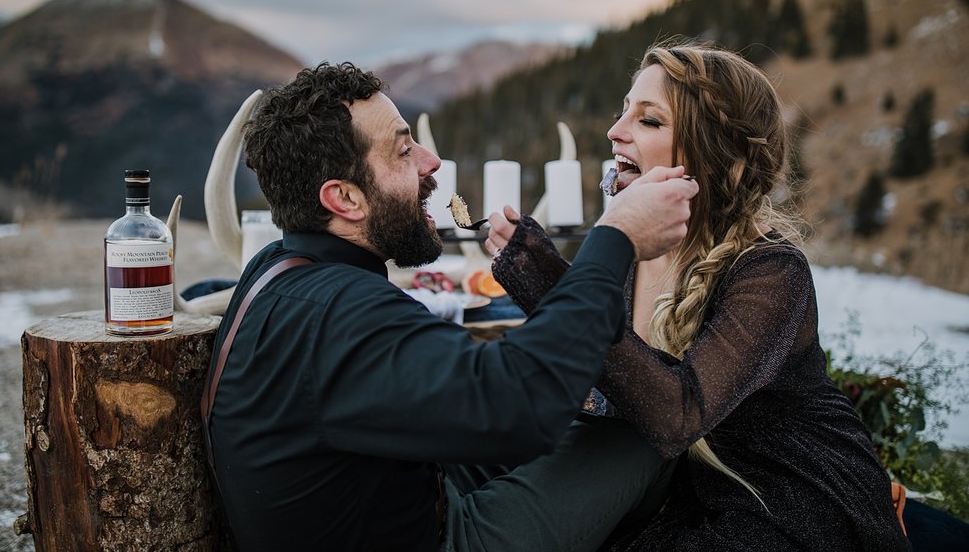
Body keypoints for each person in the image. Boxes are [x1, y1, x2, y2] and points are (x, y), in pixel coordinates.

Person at [204, 61, 700, 551]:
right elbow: (522, 405)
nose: (430, 162)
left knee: (580, 426)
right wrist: (614, 238)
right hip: (441, 537)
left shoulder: (281, 269)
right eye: (403, 151)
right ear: (345, 199)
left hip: (397, 492)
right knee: (643, 436)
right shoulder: (338, 313)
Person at [485, 41, 911, 550]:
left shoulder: (771, 270)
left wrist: (549, 280)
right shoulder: (639, 253)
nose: (614, 132)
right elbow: (618, 378)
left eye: (649, 121)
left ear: (710, 155)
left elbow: (675, 414)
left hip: (787, 492)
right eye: (623, 112)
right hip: (680, 488)